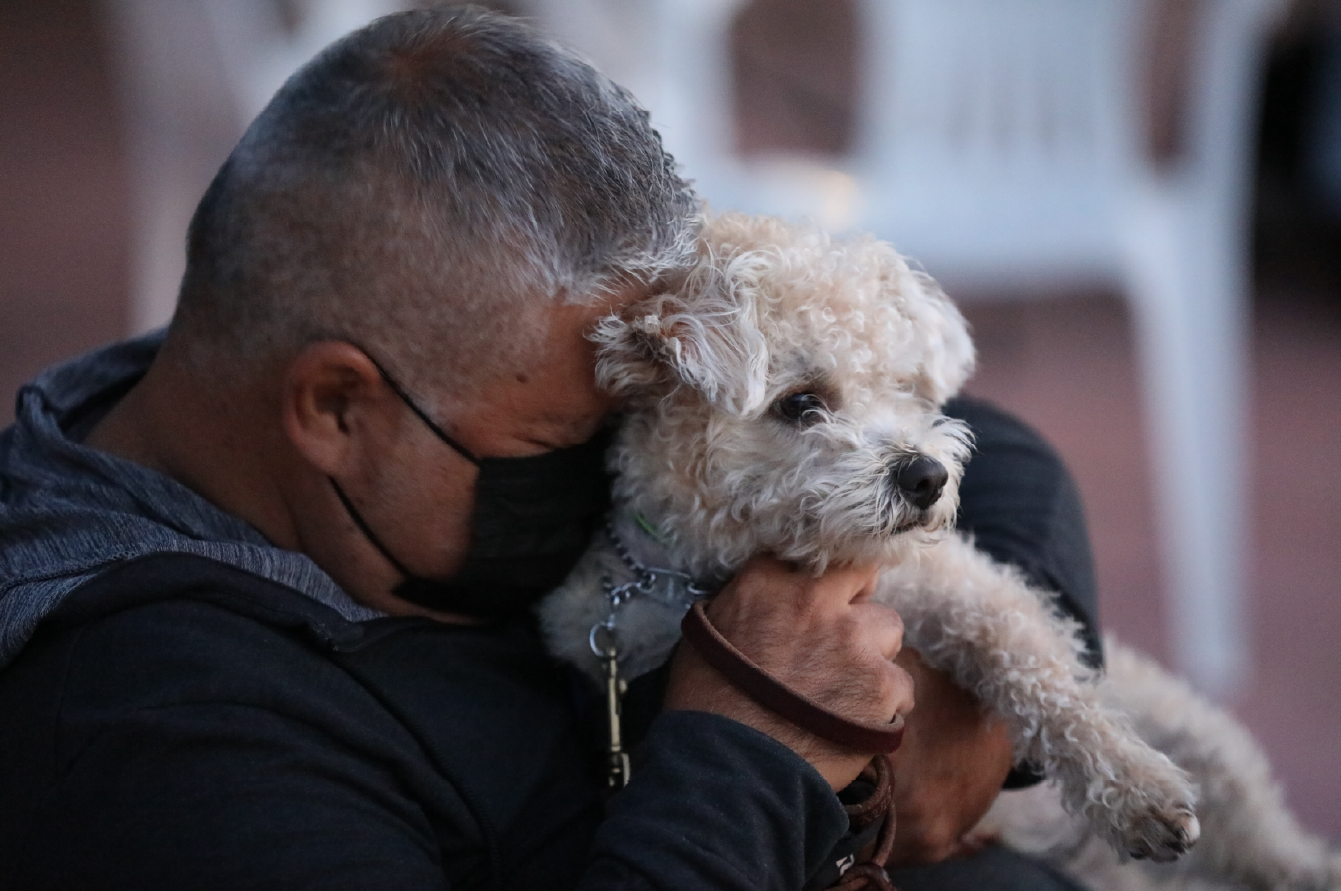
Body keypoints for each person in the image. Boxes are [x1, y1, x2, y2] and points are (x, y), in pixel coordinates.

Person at [0, 8, 1098, 890]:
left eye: (657, 402)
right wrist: (758, 757)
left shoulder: (441, 372)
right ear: (337, 407)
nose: (619, 453)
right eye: (566, 440)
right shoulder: (162, 747)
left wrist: (976, 721)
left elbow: (996, 452)